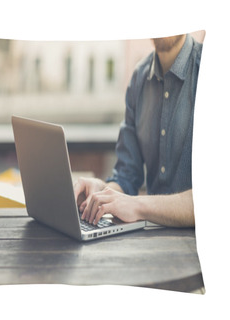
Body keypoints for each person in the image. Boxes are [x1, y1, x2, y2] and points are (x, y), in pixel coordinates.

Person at [74, 33, 203, 227]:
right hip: (150, 242)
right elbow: (126, 176)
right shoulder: (139, 79)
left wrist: (138, 206)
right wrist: (102, 193)